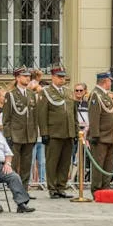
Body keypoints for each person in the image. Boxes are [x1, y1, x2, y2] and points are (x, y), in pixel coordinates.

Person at [36, 66, 76, 199]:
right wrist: (44, 133)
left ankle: (61, 187)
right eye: (59, 77)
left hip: (68, 132)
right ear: (53, 77)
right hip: (54, 132)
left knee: (65, 162)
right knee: (52, 162)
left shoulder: (68, 92)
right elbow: (42, 114)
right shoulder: (46, 92)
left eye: (63, 77)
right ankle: (52, 188)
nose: (62, 79)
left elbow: (73, 114)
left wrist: (75, 131)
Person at [1, 67, 38, 191]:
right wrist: (8, 135)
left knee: (27, 165)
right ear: (17, 78)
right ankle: (15, 189)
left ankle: (24, 189)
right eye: (24, 76)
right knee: (15, 164)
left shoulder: (31, 94)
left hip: (29, 135)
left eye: (29, 76)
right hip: (16, 135)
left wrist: (35, 134)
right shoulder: (10, 95)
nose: (28, 78)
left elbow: (35, 116)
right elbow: (6, 118)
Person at [88, 71, 113, 196]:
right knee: (98, 165)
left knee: (108, 164)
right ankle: (97, 189)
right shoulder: (96, 95)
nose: (111, 83)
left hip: (110, 136)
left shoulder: (105, 95)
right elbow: (94, 116)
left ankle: (106, 187)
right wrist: (94, 134)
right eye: (110, 80)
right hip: (100, 136)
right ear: (105, 81)